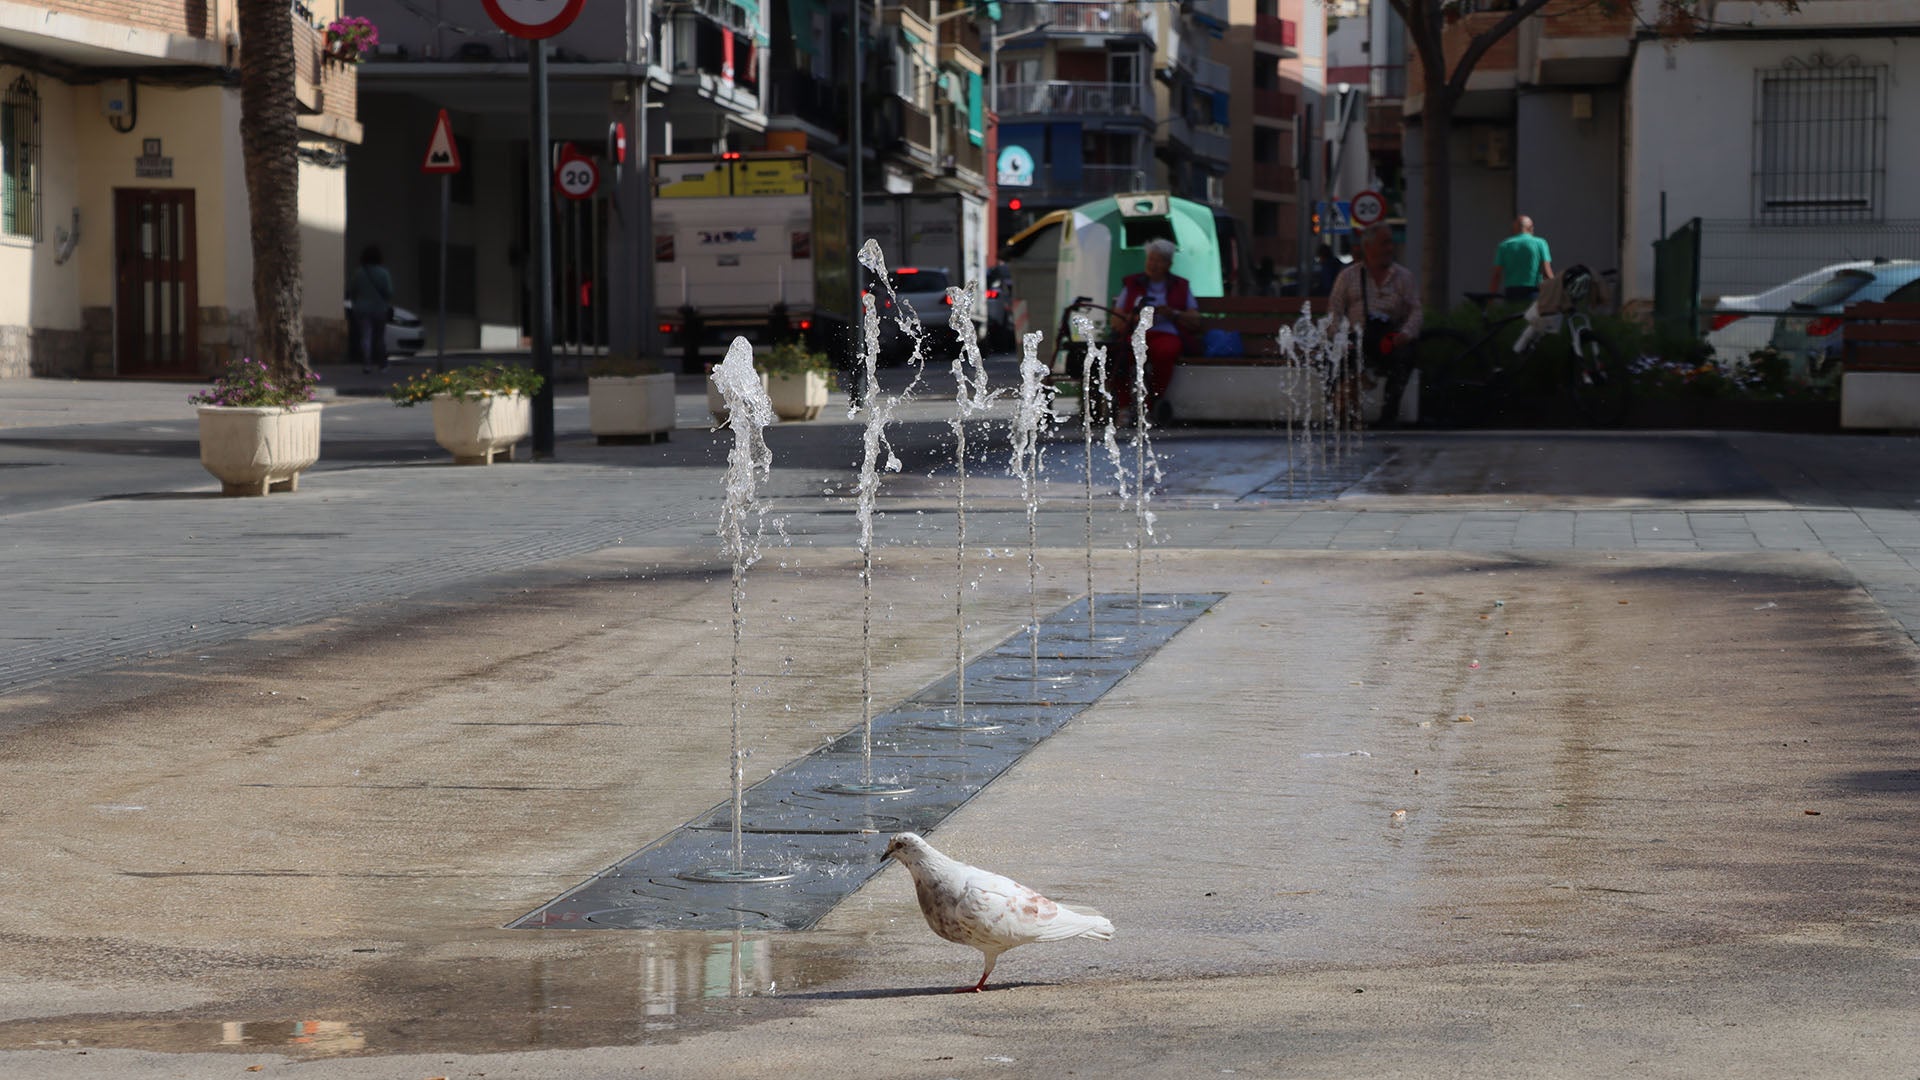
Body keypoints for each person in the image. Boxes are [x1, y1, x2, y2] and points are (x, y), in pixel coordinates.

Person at [1326, 223, 1422, 427]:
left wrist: (1405, 333)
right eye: (1384, 243)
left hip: (1389, 339)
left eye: (1391, 243)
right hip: (1358, 338)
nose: (1390, 248)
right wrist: (1340, 339)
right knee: (1337, 358)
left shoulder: (1404, 277)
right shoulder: (1348, 276)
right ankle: (1340, 414)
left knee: (1405, 356)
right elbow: (1334, 312)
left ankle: (1388, 416)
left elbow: (1415, 311)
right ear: (1368, 247)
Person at [1108, 237, 1202, 417]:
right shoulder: (1133, 283)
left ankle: (1151, 404)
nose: (1153, 264)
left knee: (1166, 352)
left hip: (1166, 332)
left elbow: (1195, 318)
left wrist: (1173, 313)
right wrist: (1135, 318)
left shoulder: (1180, 285)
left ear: (1169, 264)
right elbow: (1116, 318)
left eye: (1159, 261)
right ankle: (1124, 406)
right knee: (1120, 354)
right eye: (1151, 259)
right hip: (1137, 332)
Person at [347, 245, 394, 373]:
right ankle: (382, 364)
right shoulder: (383, 273)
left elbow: (352, 291)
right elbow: (389, 292)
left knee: (365, 336)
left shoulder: (359, 273)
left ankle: (366, 364)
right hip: (380, 309)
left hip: (362, 309)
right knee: (379, 337)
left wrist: (356, 303)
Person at [1489, 215, 1553, 302]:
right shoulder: (1540, 243)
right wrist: (1557, 292)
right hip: (1534, 291)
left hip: (1512, 293)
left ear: (1514, 229)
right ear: (1531, 228)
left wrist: (1491, 299)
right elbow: (1547, 273)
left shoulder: (1504, 245)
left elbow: (1496, 275)